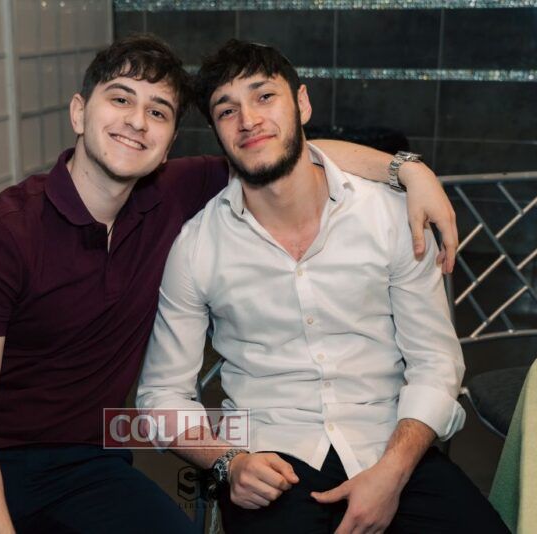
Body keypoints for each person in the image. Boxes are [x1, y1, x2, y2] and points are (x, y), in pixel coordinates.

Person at [0, 35, 458, 534]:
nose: (136, 122)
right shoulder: (0, 235)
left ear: (170, 142)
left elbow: (283, 150)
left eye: (158, 111)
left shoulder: (172, 196)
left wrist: (409, 171)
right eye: (120, 99)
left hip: (83, 464)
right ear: (79, 112)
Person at [137, 40, 508, 534]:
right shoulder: (198, 246)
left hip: (391, 446)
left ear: (302, 103)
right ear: (217, 132)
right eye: (227, 110)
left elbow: (436, 363)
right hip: (271, 463)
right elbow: (160, 396)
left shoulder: (388, 215)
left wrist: (393, 473)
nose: (248, 120)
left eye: (264, 96)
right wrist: (228, 461)